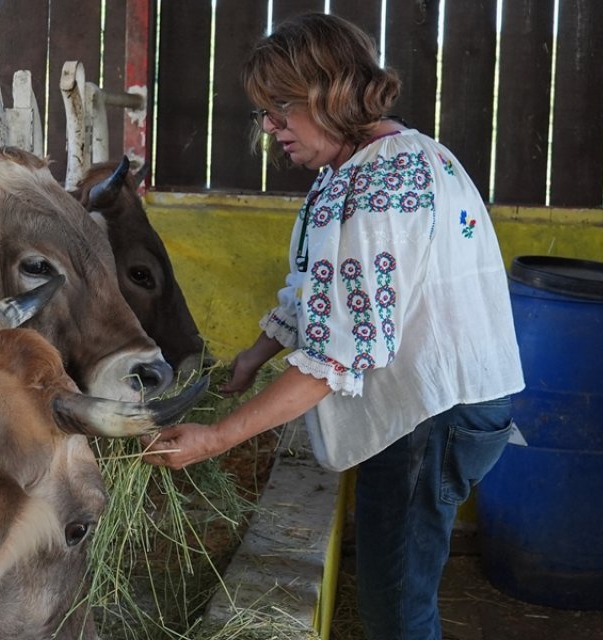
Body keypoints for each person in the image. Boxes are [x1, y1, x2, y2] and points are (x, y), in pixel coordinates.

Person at [141, 13, 524, 640]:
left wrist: (214, 439)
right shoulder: (383, 161)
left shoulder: (376, 188)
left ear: (332, 91)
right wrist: (257, 353)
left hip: (427, 416)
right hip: (448, 403)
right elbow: (321, 288)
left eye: (281, 107)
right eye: (263, 112)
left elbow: (339, 357)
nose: (270, 127)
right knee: (398, 582)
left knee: (396, 609)